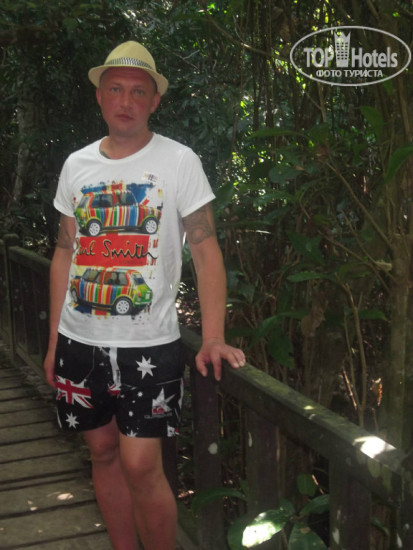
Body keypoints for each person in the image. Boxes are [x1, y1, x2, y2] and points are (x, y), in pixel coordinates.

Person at [43, 41, 245, 550]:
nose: (126, 101)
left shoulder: (178, 161)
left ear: (155, 101)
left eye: (138, 92)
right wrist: (53, 342)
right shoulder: (77, 165)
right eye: (115, 89)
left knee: (140, 463)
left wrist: (213, 337)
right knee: (103, 453)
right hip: (78, 339)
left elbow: (205, 249)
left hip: (149, 344)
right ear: (100, 96)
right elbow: (65, 252)